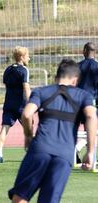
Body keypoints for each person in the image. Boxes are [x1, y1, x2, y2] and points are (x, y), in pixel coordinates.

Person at [8, 59, 97, 203]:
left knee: (20, 197)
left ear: (56, 78)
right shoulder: (84, 96)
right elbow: (91, 116)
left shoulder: (41, 91)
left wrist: (28, 136)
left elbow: (26, 114)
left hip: (40, 149)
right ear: (75, 80)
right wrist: (91, 151)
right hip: (64, 154)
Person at [0, 46, 31, 163]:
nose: (29, 58)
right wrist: (31, 102)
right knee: (28, 129)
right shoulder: (24, 70)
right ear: (21, 57)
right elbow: (26, 88)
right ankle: (31, 154)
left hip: (9, 103)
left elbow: (7, 85)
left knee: (4, 128)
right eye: (27, 56)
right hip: (21, 105)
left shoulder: (7, 69)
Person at [76, 42, 98, 163]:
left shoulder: (77, 66)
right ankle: (89, 156)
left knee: (73, 129)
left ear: (84, 51)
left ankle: (74, 153)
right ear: (94, 52)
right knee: (90, 131)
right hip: (91, 102)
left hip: (76, 101)